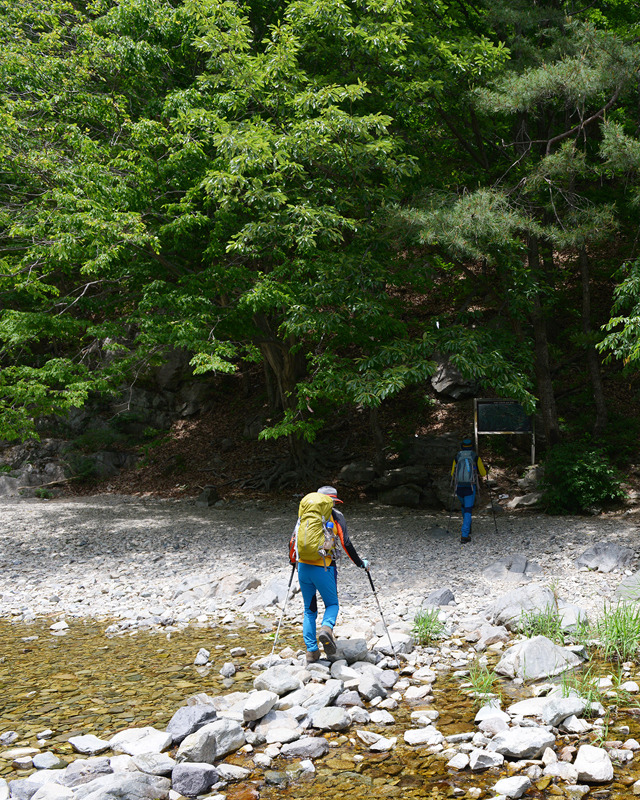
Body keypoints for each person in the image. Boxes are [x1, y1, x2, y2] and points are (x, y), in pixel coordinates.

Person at [289, 485, 368, 663]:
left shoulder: (304, 515)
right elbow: (346, 543)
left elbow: (293, 540)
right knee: (332, 604)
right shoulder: (336, 515)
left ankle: (311, 652)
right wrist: (360, 563)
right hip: (324, 567)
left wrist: (293, 561)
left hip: (303, 567)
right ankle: (326, 630)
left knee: (309, 610)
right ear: (331, 501)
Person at [451, 437, 487, 544]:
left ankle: (468, 526)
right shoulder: (475, 456)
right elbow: (483, 473)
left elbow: (452, 473)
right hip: (470, 487)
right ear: (472, 447)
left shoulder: (457, 457)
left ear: (462, 446)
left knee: (463, 506)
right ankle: (465, 535)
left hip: (459, 487)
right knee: (468, 510)